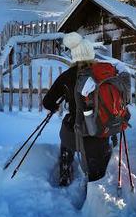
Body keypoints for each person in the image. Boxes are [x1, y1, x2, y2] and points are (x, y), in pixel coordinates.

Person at [42, 32, 113, 186]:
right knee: (98, 168)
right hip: (102, 133)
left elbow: (47, 102)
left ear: (74, 56)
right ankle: (97, 189)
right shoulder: (106, 74)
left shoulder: (67, 76)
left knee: (66, 133)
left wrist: (57, 104)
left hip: (76, 134)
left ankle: (65, 176)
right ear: (91, 54)